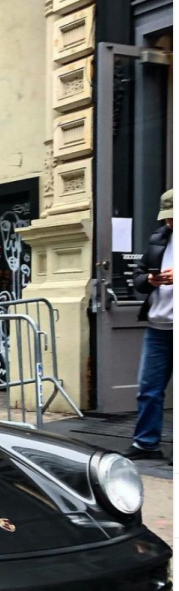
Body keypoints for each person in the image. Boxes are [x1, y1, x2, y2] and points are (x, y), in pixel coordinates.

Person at [127, 189, 173, 460]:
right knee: (149, 390)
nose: (169, 222)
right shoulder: (159, 238)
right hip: (158, 327)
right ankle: (145, 445)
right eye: (166, 217)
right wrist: (151, 281)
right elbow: (139, 276)